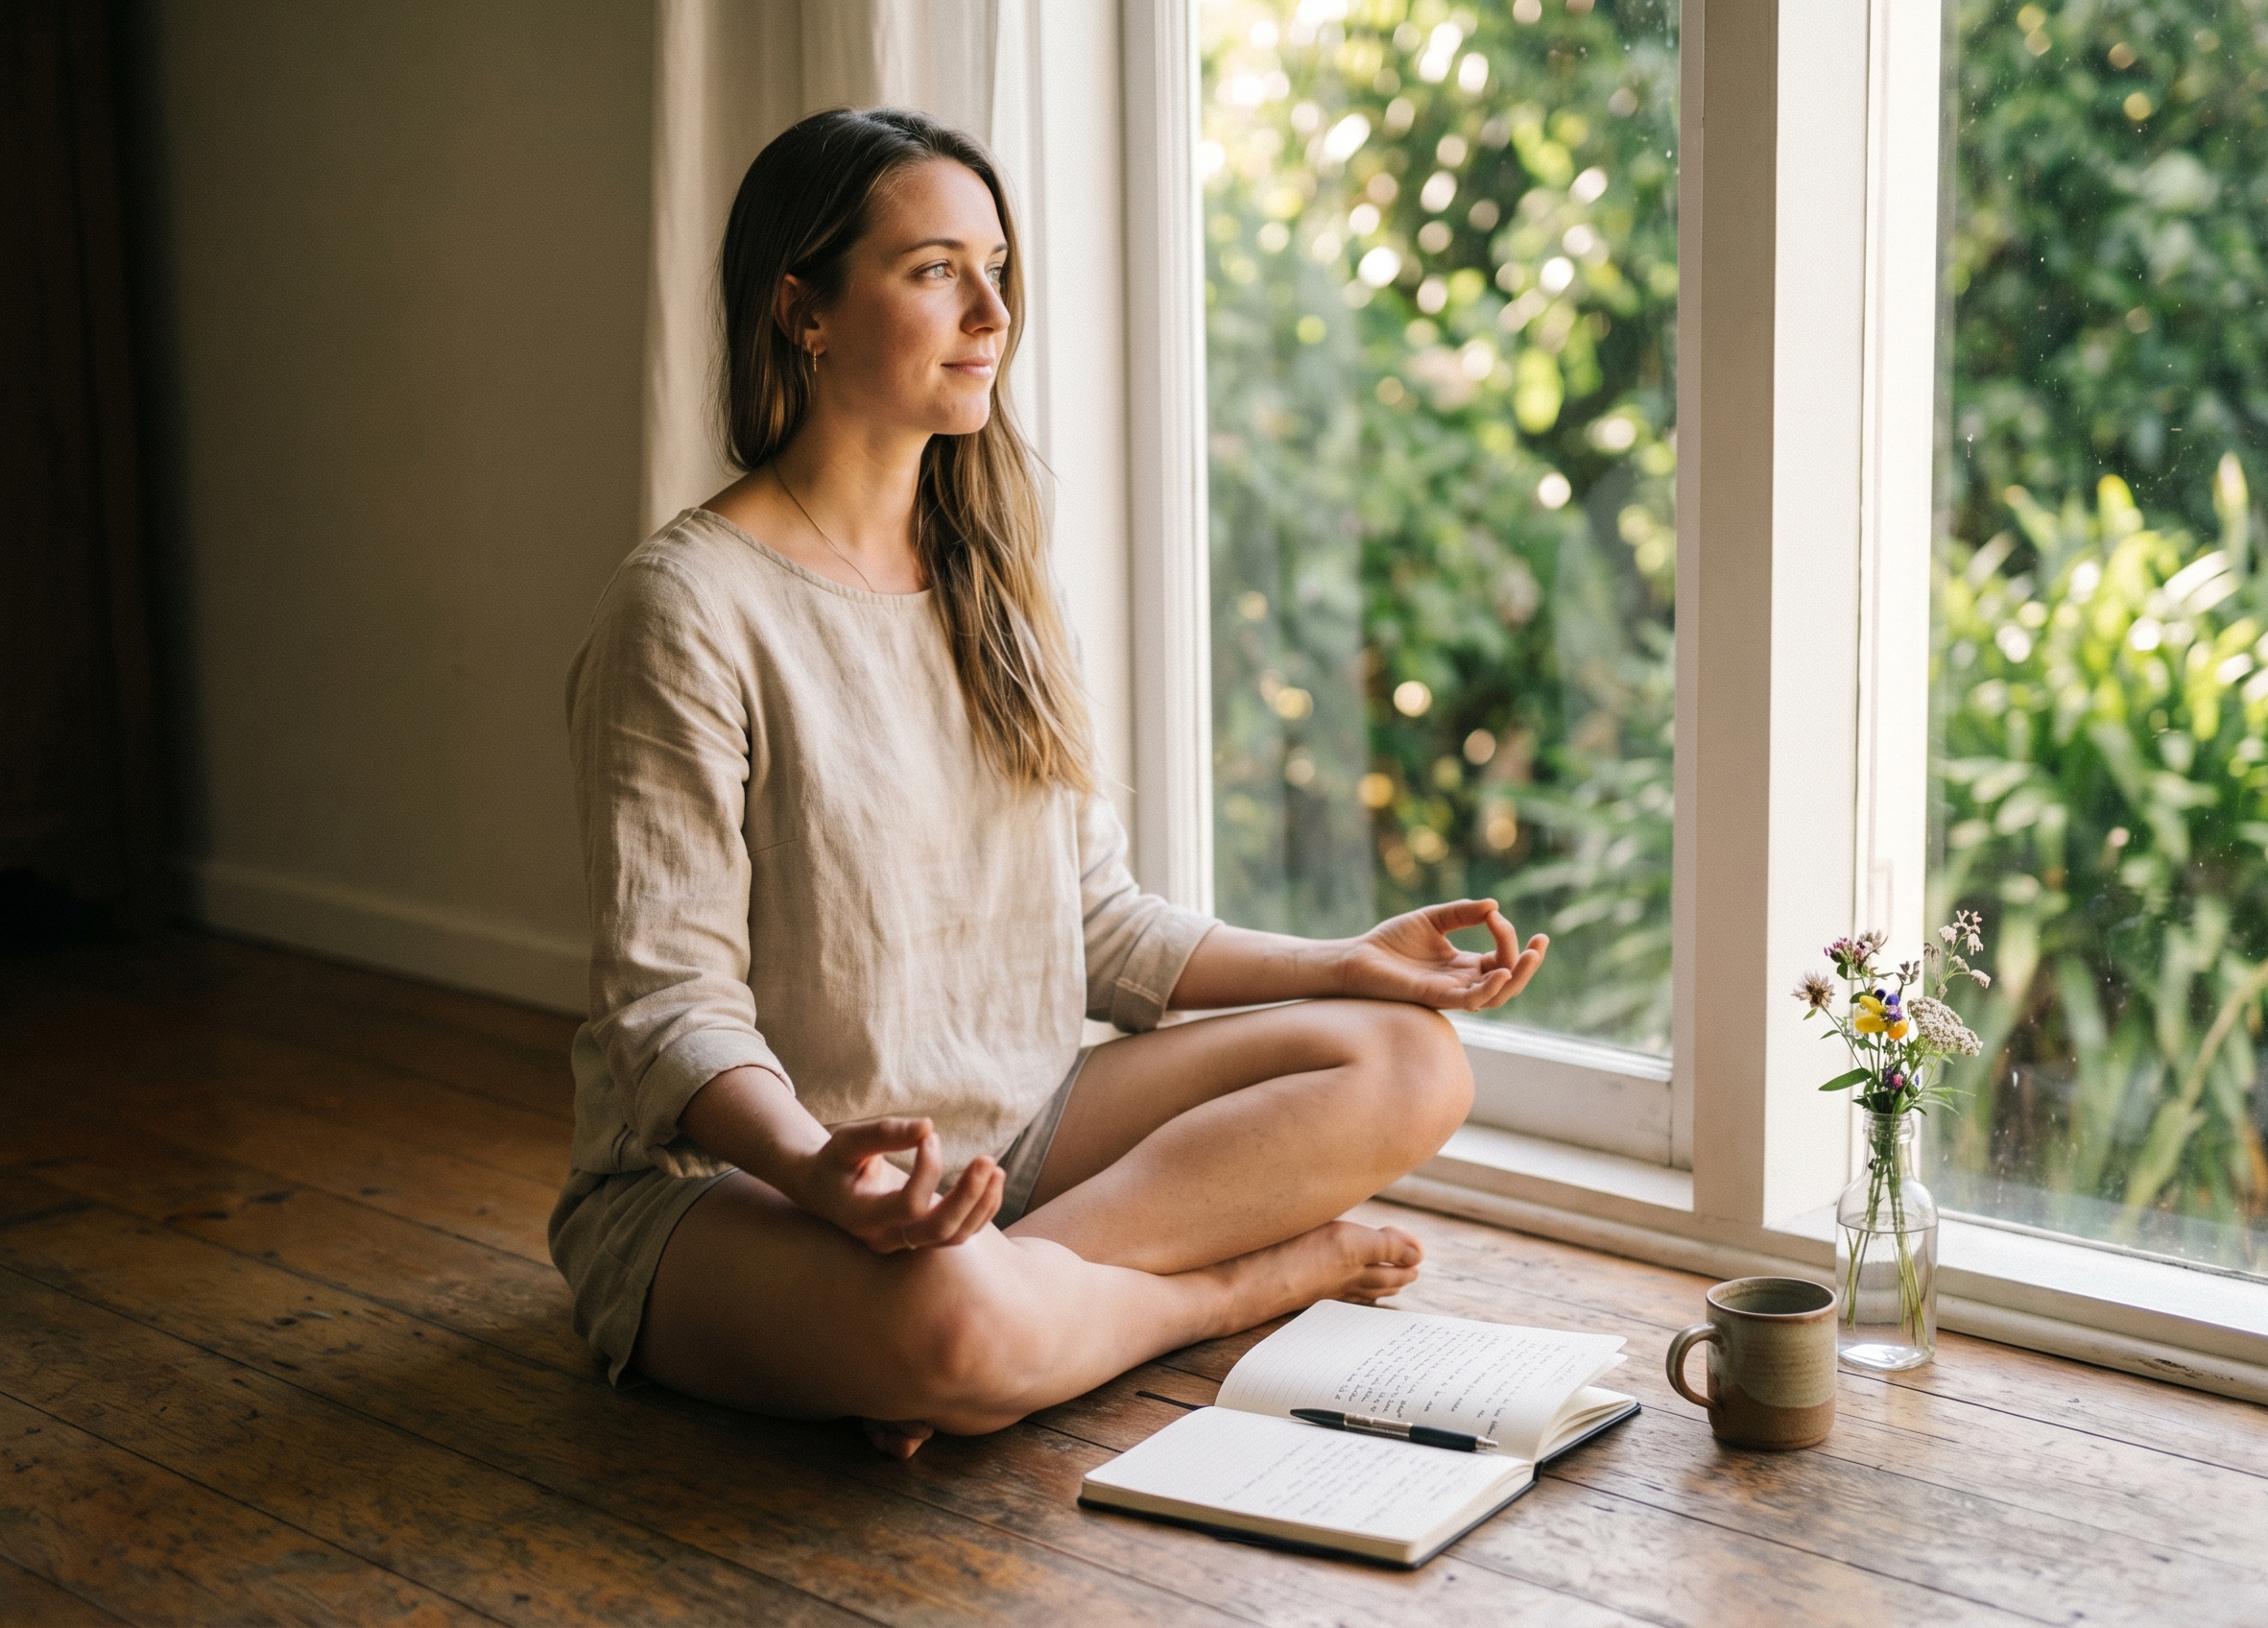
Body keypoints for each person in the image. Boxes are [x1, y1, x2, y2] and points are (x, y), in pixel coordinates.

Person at [550, 108, 1548, 1459]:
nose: (990, 312)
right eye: (934, 270)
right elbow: (668, 1007)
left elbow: (1097, 928)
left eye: (999, 269)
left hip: (1012, 1132)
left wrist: (1345, 964)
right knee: (954, 1334)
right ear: (805, 310)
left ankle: (1010, 1314)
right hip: (728, 1184)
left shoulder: (1001, 584)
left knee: (1407, 1061)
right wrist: (813, 1174)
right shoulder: (687, 607)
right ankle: (1216, 1293)